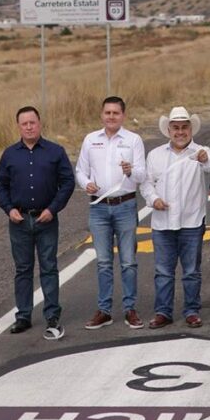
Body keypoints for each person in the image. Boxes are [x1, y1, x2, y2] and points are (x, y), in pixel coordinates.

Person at [0, 106, 75, 340]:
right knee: (23, 269)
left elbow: (68, 183)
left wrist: (53, 208)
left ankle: (52, 314)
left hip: (46, 218)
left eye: (32, 122)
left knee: (48, 267)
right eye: (24, 123)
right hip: (19, 221)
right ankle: (23, 316)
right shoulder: (9, 154)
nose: (29, 127)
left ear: (40, 123)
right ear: (18, 126)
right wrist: (8, 209)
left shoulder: (55, 151)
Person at [141, 107, 210, 330]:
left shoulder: (201, 151)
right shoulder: (155, 155)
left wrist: (203, 158)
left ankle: (192, 310)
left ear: (191, 129)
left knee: (191, 270)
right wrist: (153, 199)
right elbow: (146, 183)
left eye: (184, 127)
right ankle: (163, 311)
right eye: (176, 127)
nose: (180, 132)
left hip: (191, 221)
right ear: (169, 130)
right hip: (162, 222)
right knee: (163, 270)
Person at [76, 96, 146, 329]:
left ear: (123, 115)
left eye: (116, 113)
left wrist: (131, 170)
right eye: (107, 113)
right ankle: (104, 310)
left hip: (125, 206)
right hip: (98, 207)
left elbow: (142, 176)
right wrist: (86, 184)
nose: (111, 117)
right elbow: (81, 171)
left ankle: (130, 309)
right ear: (102, 114)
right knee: (103, 262)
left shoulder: (133, 140)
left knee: (128, 262)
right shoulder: (90, 140)